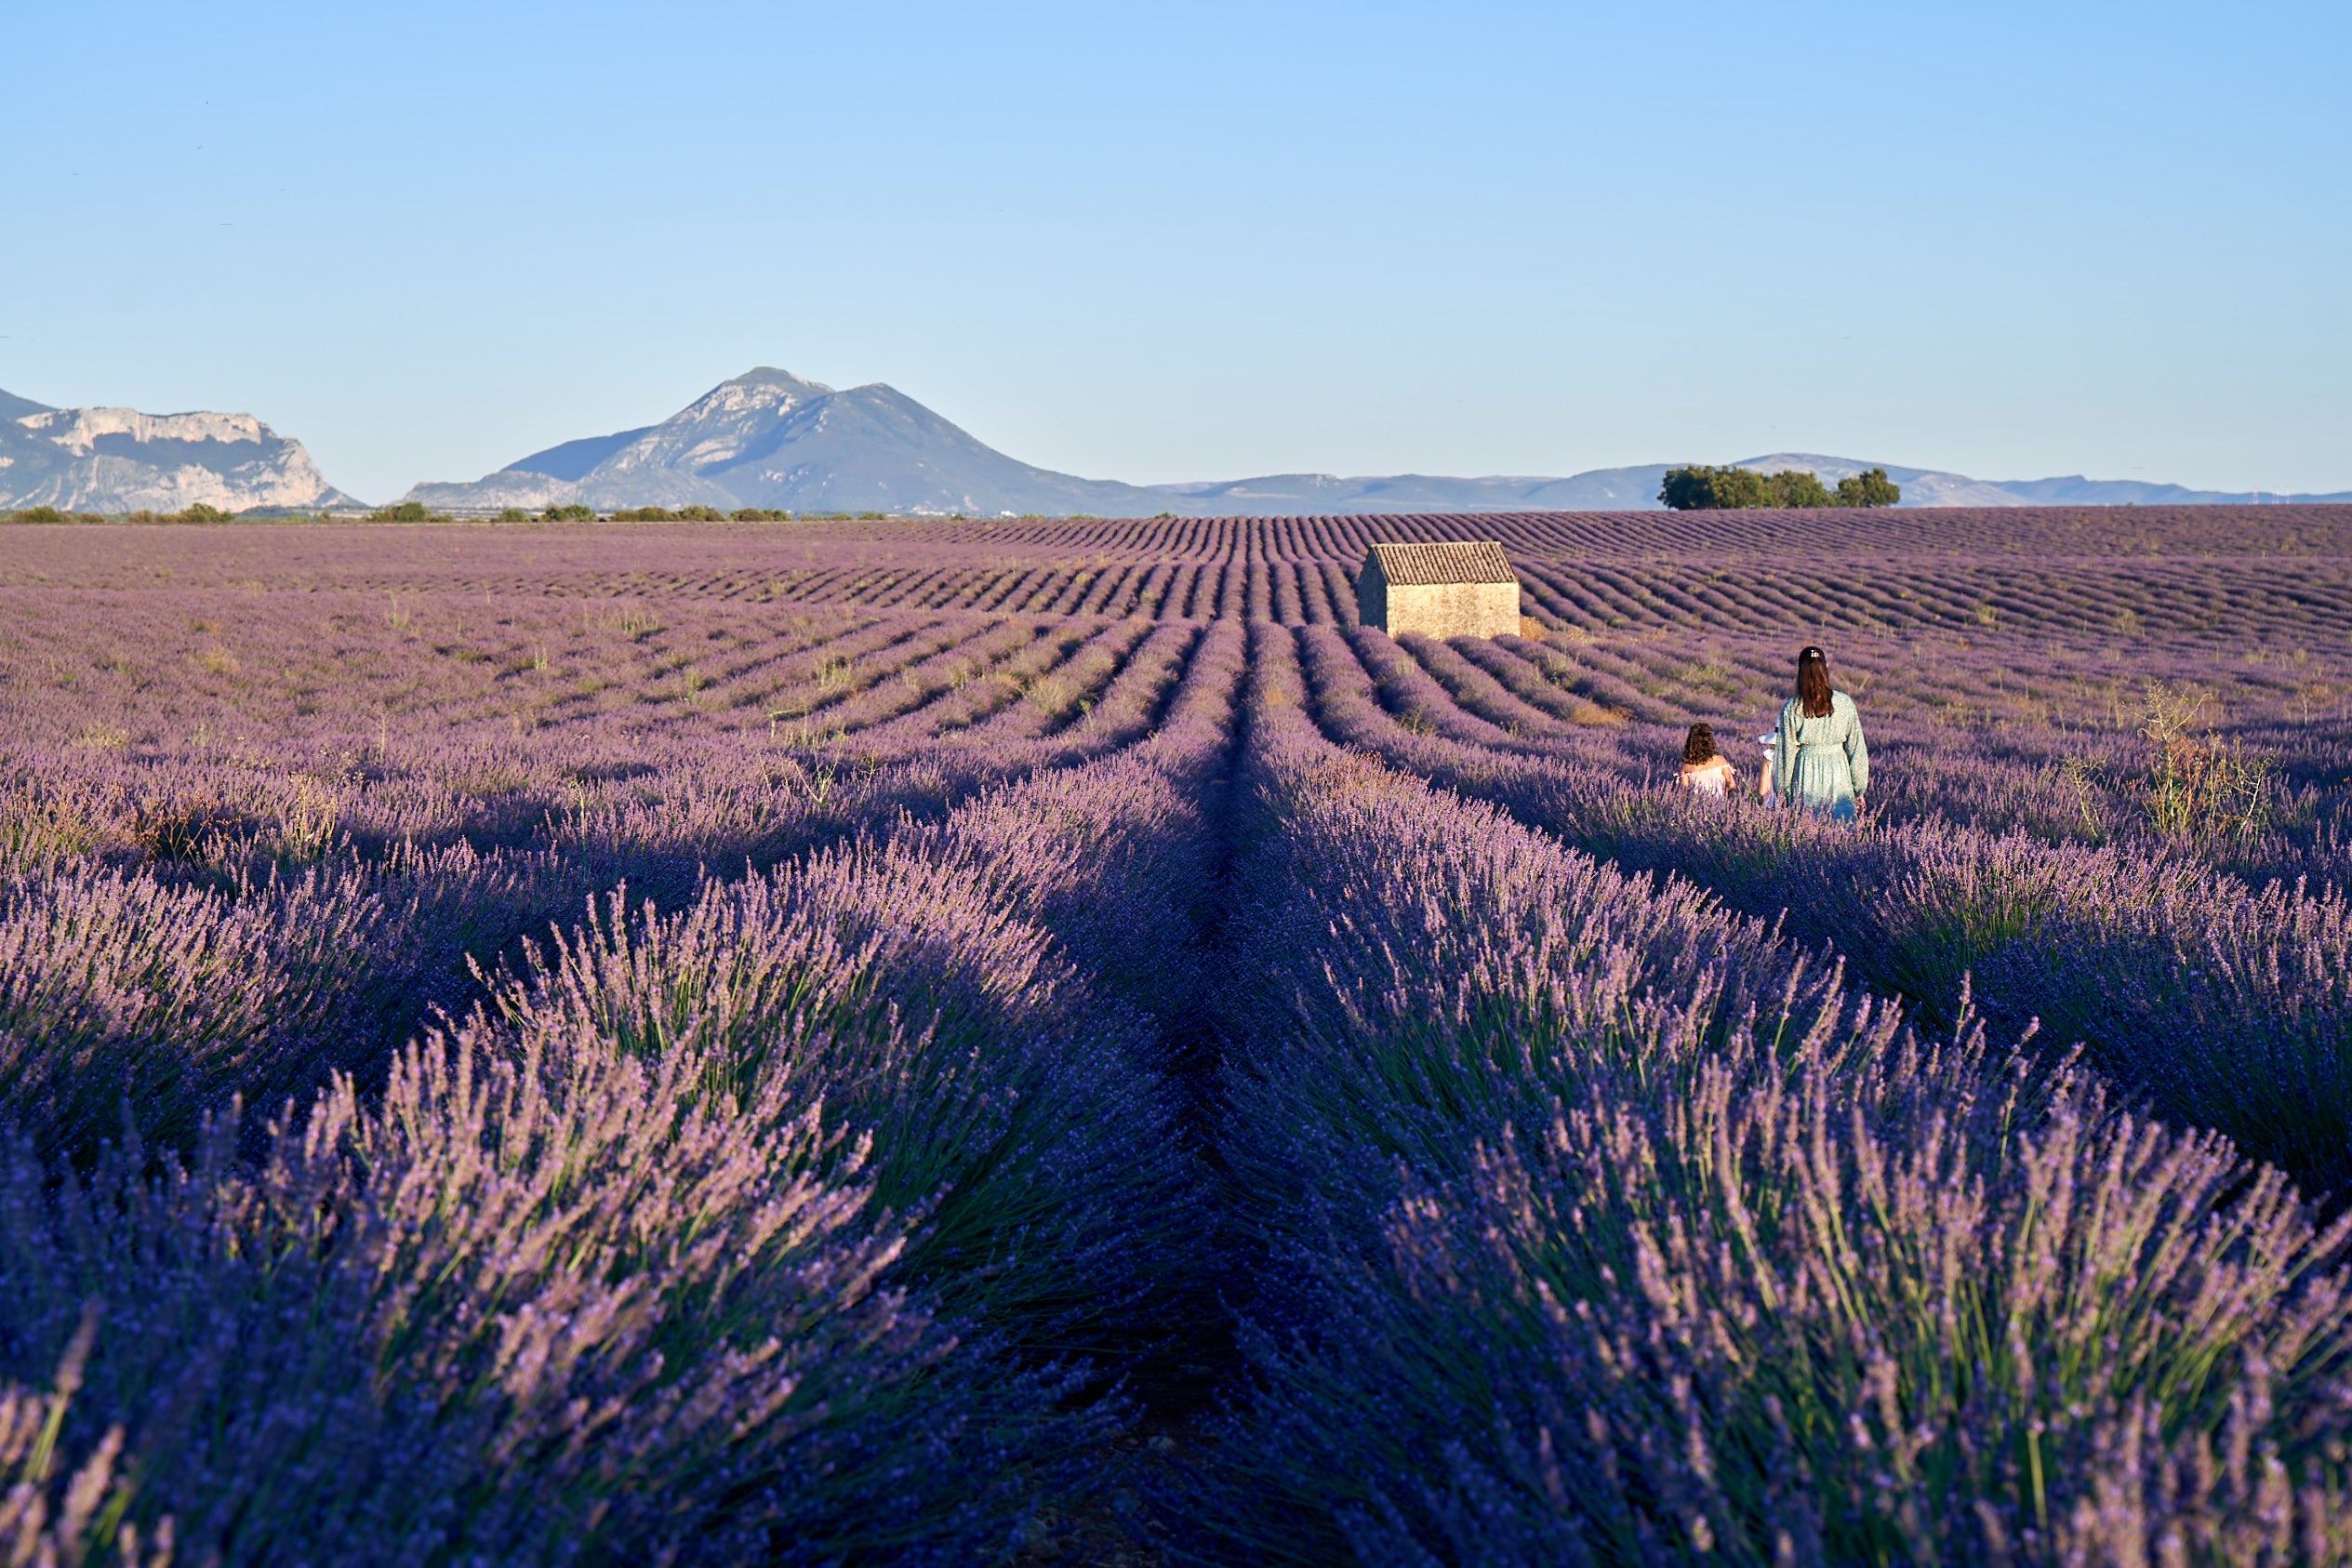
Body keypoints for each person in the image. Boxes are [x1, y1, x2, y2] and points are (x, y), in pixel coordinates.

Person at [1772, 644, 1868, 823]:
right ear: (1827, 667)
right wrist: (1859, 789)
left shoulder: (1792, 708)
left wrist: (1783, 791)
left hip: (1805, 773)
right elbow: (1857, 749)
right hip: (1838, 773)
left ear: (1800, 671)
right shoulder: (1844, 703)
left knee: (1806, 832)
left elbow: (1786, 753)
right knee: (1842, 831)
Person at [1678, 723, 1738, 796]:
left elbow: (1684, 791)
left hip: (1696, 805)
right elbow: (1731, 784)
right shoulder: (1720, 760)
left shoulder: (1686, 766)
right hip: (1719, 804)